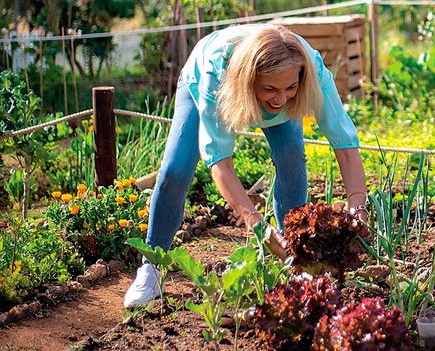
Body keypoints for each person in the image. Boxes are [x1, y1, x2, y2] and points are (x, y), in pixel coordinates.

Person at [123, 23, 368, 308]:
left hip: (268, 88)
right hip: (205, 81)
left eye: (291, 86)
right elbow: (220, 163)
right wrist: (256, 224)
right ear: (251, 80)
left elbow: (345, 144)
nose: (281, 98)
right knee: (175, 173)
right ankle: (151, 266)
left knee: (292, 162)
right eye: (270, 88)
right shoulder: (217, 76)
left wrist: (357, 206)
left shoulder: (308, 69)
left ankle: (293, 259)